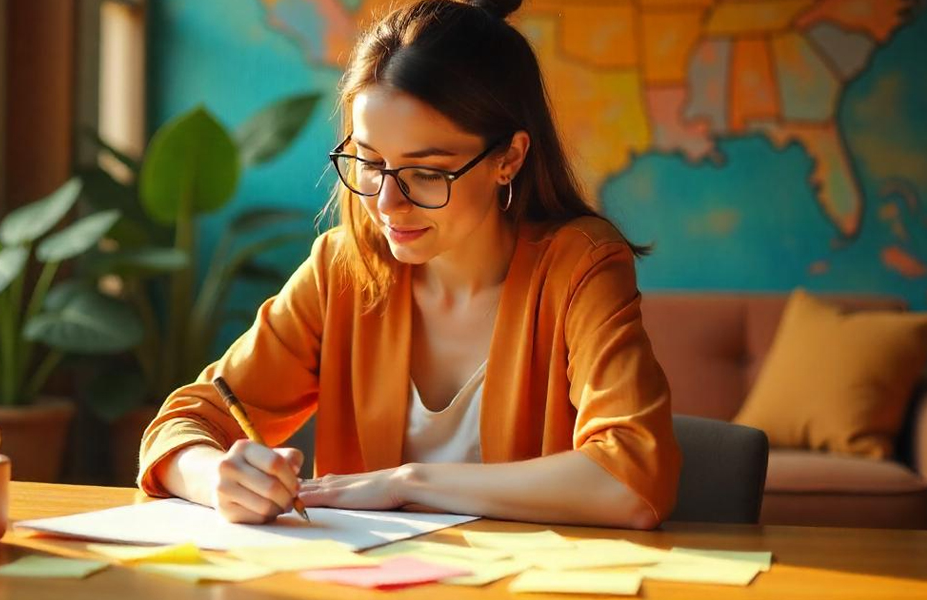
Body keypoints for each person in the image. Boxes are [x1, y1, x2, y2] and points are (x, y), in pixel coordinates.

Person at [138, 0, 680, 530]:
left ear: (508, 158)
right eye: (370, 163)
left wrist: (408, 484)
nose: (386, 204)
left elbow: (632, 479)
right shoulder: (340, 269)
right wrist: (216, 477)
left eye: (427, 173)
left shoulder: (579, 266)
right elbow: (181, 424)